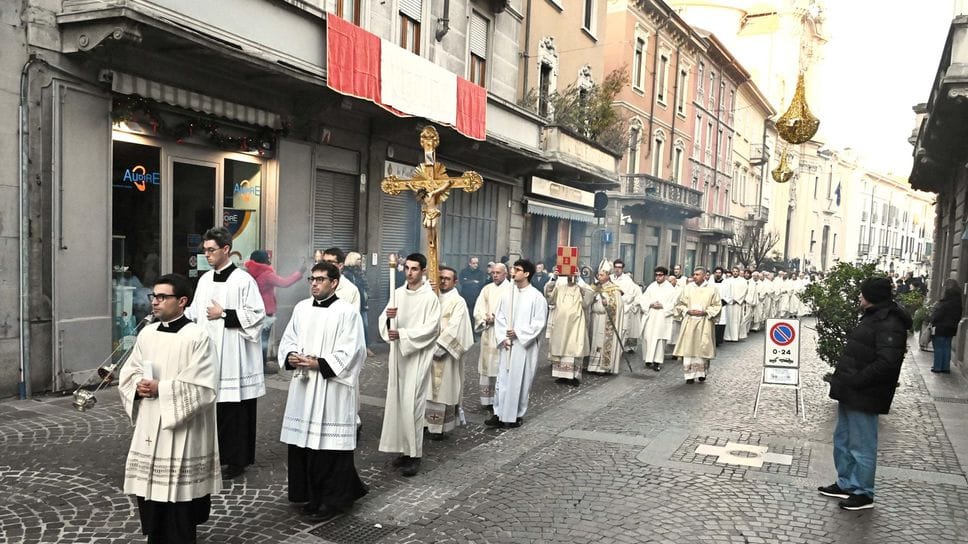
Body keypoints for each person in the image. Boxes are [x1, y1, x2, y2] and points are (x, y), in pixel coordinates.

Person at [120, 273, 221, 544]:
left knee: (179, 500)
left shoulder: (197, 337)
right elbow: (130, 371)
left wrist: (160, 389)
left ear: (182, 301)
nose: (155, 302)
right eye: (154, 296)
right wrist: (138, 387)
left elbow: (203, 386)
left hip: (183, 428)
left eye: (163, 297)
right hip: (151, 422)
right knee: (150, 494)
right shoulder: (147, 333)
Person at [277, 261, 368, 521]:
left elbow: (353, 350)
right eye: (312, 279)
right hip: (304, 388)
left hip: (331, 390)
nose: (314, 283)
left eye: (320, 279)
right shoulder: (301, 308)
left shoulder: (346, 312)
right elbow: (289, 339)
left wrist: (319, 363)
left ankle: (331, 501)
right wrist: (292, 356)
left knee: (328, 448)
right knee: (304, 445)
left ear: (334, 283)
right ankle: (309, 495)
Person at [819, 276, 911, 511]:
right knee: (844, 440)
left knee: (862, 445)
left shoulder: (890, 322)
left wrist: (857, 380)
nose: (859, 297)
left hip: (866, 393)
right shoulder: (873, 316)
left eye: (862, 293)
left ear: (872, 296)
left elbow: (887, 362)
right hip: (852, 390)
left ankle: (863, 492)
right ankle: (846, 483)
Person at [187, 227, 265, 479]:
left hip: (235, 357)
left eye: (211, 250)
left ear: (226, 250)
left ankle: (237, 460)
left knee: (236, 410)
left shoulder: (244, 281)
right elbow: (195, 312)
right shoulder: (205, 280)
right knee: (212, 408)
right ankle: (212, 455)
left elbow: (257, 316)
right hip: (210, 354)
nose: (207, 255)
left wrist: (224, 314)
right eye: (205, 250)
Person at [378, 253, 441, 477]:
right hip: (398, 357)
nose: (409, 273)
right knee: (397, 404)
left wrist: (403, 334)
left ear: (423, 271)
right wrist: (388, 317)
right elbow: (384, 323)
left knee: (413, 404)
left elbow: (432, 328)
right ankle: (403, 450)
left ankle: (415, 455)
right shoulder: (397, 294)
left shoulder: (429, 298)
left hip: (417, 357)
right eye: (407, 268)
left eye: (414, 269)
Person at [486, 259, 548, 428]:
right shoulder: (507, 294)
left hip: (524, 346)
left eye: (518, 269)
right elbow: (499, 317)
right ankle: (498, 413)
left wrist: (519, 333)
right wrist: (503, 337)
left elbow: (539, 322)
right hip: (507, 344)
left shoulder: (536, 297)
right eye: (513, 269)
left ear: (527, 274)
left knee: (521, 380)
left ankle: (516, 415)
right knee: (502, 379)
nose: (513, 272)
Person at [426, 266, 474, 439]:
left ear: (455, 281)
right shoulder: (432, 297)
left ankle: (439, 428)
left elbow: (455, 328)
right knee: (426, 389)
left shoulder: (458, 302)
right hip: (426, 352)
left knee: (444, 389)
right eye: (441, 278)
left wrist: (438, 348)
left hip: (445, 354)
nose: (443, 281)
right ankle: (426, 423)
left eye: (447, 278)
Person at [244, 249, 305, 374]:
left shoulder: (248, 272)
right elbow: (285, 283)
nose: (269, 260)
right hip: (266, 311)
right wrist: (299, 272)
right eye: (267, 258)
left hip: (252, 310)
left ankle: (254, 365)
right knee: (264, 340)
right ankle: (262, 366)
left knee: (255, 339)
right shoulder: (266, 274)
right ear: (263, 260)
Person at [673, 267, 722, 384]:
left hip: (704, 321)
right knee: (689, 347)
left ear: (704, 276)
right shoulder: (688, 288)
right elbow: (679, 303)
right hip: (690, 321)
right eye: (694, 274)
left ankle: (701, 373)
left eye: (698, 274)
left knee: (702, 347)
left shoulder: (712, 289)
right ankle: (689, 375)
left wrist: (706, 312)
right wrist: (687, 311)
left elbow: (717, 305)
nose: (695, 276)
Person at [472, 263, 509, 410]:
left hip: (503, 334)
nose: (494, 275)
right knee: (488, 365)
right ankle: (487, 400)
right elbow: (478, 308)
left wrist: (498, 319)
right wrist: (483, 319)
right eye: (493, 273)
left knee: (500, 365)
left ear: (505, 274)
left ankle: (500, 398)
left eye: (498, 273)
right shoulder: (486, 289)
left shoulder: (511, 290)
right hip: (488, 332)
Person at [545, 273, 590, 385]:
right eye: (568, 275)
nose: (570, 277)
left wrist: (580, 279)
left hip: (575, 324)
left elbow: (589, 298)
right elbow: (548, 295)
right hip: (560, 323)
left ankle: (573, 376)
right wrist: (554, 278)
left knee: (573, 348)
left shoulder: (581, 289)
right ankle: (561, 375)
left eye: (573, 275)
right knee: (560, 347)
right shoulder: (559, 288)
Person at [587, 260, 625, 375]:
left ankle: (602, 367)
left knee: (601, 343)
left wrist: (607, 303)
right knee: (593, 341)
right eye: (598, 275)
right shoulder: (595, 287)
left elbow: (618, 306)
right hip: (595, 318)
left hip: (605, 321)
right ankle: (592, 365)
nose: (599, 277)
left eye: (602, 275)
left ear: (608, 276)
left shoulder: (614, 289)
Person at [639, 266, 677, 372]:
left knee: (659, 340)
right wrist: (650, 304)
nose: (658, 277)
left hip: (662, 317)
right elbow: (643, 299)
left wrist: (663, 305)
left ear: (665, 276)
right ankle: (648, 359)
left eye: (660, 275)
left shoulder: (670, 289)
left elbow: (674, 304)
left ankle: (657, 361)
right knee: (648, 337)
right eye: (656, 275)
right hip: (651, 316)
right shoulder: (651, 286)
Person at [343, 251, 374, 357]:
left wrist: (366, 296)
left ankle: (366, 347)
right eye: (358, 259)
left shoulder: (360, 272)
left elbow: (365, 286)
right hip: (352, 304)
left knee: (364, 325)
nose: (360, 261)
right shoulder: (346, 274)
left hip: (362, 304)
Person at [930, 278, 962, 373]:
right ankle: (945, 367)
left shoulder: (945, 303)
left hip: (941, 327)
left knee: (939, 347)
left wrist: (933, 318)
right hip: (951, 327)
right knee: (947, 347)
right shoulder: (958, 302)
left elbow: (938, 316)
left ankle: (937, 367)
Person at [611, 259, 642, 354]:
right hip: (611, 309)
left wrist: (619, 294)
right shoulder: (610, 278)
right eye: (616, 267)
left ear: (623, 269)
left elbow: (629, 297)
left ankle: (618, 354)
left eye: (619, 267)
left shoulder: (627, 280)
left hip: (623, 309)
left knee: (621, 333)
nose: (617, 269)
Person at [319, 248, 361, 313]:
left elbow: (353, 319)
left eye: (330, 262)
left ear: (340, 265)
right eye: (323, 262)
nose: (325, 265)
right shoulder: (318, 285)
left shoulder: (351, 290)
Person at [724, 266, 747, 342]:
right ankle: (728, 336)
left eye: (736, 271)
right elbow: (725, 292)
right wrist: (730, 300)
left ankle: (735, 336)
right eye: (733, 271)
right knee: (729, 319)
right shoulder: (727, 281)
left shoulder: (743, 281)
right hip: (729, 303)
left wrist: (737, 300)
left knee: (736, 320)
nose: (735, 273)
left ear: (739, 272)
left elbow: (744, 291)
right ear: (732, 272)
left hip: (737, 303)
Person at [711, 266, 729, 346]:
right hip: (712, 305)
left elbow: (729, 295)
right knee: (713, 322)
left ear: (722, 274)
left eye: (719, 273)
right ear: (714, 273)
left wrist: (721, 303)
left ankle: (718, 340)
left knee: (721, 322)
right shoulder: (710, 283)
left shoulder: (726, 283)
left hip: (722, 305)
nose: (718, 274)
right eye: (716, 273)